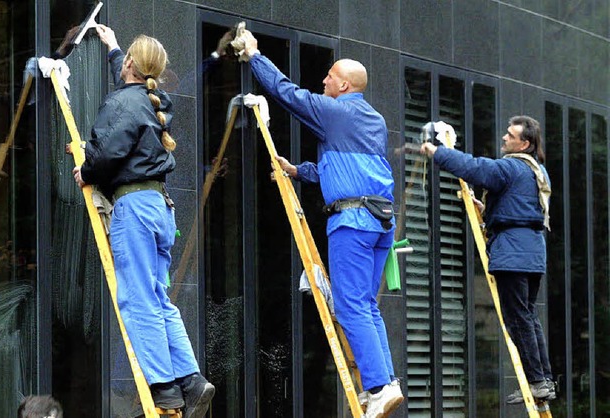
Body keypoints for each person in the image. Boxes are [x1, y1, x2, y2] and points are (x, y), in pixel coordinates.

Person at [238, 30, 404, 417]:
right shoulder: (373, 119)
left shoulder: (334, 111)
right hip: (381, 220)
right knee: (367, 306)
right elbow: (348, 165)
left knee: (349, 308)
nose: (324, 80)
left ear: (344, 85)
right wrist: (301, 171)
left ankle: (377, 387)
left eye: (329, 76)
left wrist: (255, 55)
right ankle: (387, 383)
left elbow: (286, 93)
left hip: (353, 222)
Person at [71, 25, 214, 416]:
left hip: (134, 208)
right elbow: (136, 91)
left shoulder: (123, 102)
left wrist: (86, 170)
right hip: (159, 207)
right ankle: (191, 380)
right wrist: (114, 47)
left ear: (131, 65)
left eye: (124, 60)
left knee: (137, 300)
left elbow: (108, 151)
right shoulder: (154, 100)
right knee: (158, 299)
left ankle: (164, 389)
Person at [420, 116, 556, 404]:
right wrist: (490, 211)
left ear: (525, 143)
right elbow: (519, 206)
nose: (504, 138)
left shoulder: (511, 166)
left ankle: (536, 382)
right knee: (529, 318)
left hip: (513, 254)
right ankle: (544, 381)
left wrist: (438, 152)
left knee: (517, 319)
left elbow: (476, 168)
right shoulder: (536, 171)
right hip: (532, 251)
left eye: (510, 135)